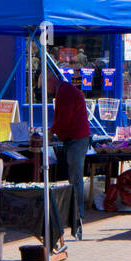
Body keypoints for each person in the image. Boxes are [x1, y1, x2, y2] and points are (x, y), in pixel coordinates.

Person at [49, 69, 90, 239]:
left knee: (75, 177)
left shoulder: (64, 92)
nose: (46, 89)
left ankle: (77, 214)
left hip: (76, 139)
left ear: (52, 82)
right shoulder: (65, 90)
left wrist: (52, 132)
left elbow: (63, 119)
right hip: (74, 138)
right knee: (74, 176)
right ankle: (74, 212)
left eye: (46, 85)